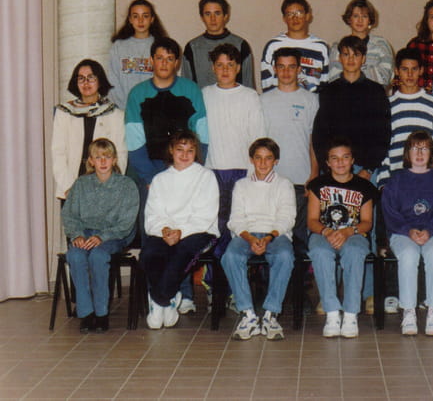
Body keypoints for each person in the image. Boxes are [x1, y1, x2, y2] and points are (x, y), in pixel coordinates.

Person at [141, 130, 219, 330]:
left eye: (190, 150)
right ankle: (168, 300)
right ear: (171, 150)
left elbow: (205, 214)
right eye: (180, 150)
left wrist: (181, 231)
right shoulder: (160, 179)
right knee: (149, 252)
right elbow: (153, 214)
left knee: (181, 252)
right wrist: (165, 229)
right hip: (166, 231)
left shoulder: (206, 176)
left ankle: (159, 299)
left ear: (196, 152)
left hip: (199, 231)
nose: (184, 155)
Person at [221, 138, 296, 341]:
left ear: (276, 161)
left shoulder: (284, 185)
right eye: (258, 158)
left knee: (284, 256)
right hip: (247, 234)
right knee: (230, 257)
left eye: (268, 158)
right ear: (251, 160)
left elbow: (287, 218)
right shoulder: (241, 185)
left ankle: (271, 314)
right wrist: (251, 238)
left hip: (276, 234)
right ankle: (249, 315)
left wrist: (269, 238)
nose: (263, 163)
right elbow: (236, 219)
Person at [62, 138, 139, 333]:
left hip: (115, 235)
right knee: (75, 255)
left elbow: (126, 223)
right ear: (91, 161)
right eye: (98, 157)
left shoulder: (126, 185)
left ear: (114, 160)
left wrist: (103, 237)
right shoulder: (81, 184)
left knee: (98, 256)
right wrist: (76, 235)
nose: (103, 162)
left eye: (107, 157)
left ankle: (101, 313)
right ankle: (86, 313)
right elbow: (69, 215)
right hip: (86, 233)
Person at [381, 131, 433, 336]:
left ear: (432, 153)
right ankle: (409, 311)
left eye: (425, 149)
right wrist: (408, 230)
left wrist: (430, 230)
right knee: (408, 255)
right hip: (402, 232)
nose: (420, 153)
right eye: (415, 148)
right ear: (407, 153)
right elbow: (390, 213)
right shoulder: (396, 181)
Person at [307, 138, 378, 338]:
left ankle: (350, 314)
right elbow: (311, 220)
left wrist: (348, 231)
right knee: (319, 252)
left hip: (354, 234)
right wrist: (327, 231)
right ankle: (331, 313)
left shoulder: (364, 186)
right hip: (323, 233)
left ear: (352, 160)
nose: (340, 162)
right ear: (327, 162)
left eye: (345, 157)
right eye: (334, 158)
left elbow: (367, 222)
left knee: (354, 252)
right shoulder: (317, 184)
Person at [202, 44, 266, 259]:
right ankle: (214, 275)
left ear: (238, 67)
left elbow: (258, 137)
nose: (225, 70)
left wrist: (254, 172)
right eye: (220, 65)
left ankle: (238, 274)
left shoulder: (250, 96)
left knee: (241, 225)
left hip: (242, 171)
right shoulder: (205, 94)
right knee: (216, 227)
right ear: (213, 68)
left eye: (230, 65)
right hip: (213, 170)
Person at [125, 37, 209, 189]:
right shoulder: (137, 94)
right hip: (147, 174)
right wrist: (150, 178)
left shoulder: (191, 90)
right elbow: (134, 142)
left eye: (169, 59)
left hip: (184, 170)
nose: (164, 63)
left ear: (176, 63)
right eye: (159, 58)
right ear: (151, 60)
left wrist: (190, 171)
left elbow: (202, 136)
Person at [261, 48, 319, 251]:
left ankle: (301, 273)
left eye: (291, 67)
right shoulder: (263, 101)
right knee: (272, 235)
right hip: (272, 180)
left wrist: (314, 174)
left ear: (299, 69)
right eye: (281, 67)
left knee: (300, 238)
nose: (286, 72)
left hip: (301, 180)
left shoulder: (311, 100)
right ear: (274, 69)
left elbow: (313, 141)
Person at [312, 35, 391, 181]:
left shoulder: (376, 91)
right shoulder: (328, 91)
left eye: (356, 54)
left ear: (363, 59)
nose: (351, 59)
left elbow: (383, 134)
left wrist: (369, 168)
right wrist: (327, 166)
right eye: (346, 54)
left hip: (365, 169)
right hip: (335, 167)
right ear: (339, 58)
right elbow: (320, 134)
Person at [51, 59, 127, 201]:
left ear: (100, 81)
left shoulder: (115, 114)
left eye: (91, 78)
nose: (86, 83)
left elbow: (121, 155)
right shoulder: (64, 113)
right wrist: (69, 188)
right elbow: (58, 153)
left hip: (104, 188)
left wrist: (110, 186)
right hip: (71, 188)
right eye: (81, 78)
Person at [377, 47, 433, 188]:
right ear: (397, 71)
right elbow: (383, 147)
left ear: (421, 70)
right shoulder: (387, 105)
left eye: (414, 69)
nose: (409, 74)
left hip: (427, 180)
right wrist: (383, 183)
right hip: (396, 180)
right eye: (404, 69)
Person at [183, 0, 255, 89]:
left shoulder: (241, 45)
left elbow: (248, 86)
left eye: (217, 13)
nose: (213, 19)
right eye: (208, 14)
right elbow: (186, 87)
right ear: (202, 17)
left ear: (225, 16)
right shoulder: (192, 47)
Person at [260, 0, 329, 92]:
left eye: (299, 13)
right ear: (284, 19)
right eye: (290, 14)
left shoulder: (321, 47)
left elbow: (325, 82)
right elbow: (266, 83)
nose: (295, 18)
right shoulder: (274, 46)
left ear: (307, 16)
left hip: (311, 100)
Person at [108, 0, 168, 109]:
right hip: (125, 109)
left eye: (145, 16)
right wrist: (126, 108)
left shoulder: (161, 46)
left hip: (154, 110)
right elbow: (112, 81)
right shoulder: (118, 47)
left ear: (152, 19)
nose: (140, 21)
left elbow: (166, 80)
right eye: (135, 16)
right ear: (130, 19)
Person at [329, 0, 394, 88]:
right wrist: (371, 71)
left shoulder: (381, 44)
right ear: (349, 19)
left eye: (364, 16)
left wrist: (351, 71)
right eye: (355, 16)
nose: (360, 20)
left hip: (374, 94)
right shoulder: (338, 46)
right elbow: (334, 77)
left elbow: (385, 77)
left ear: (369, 20)